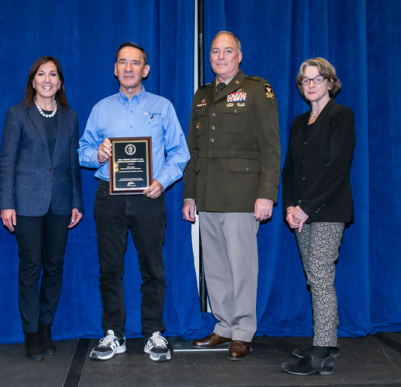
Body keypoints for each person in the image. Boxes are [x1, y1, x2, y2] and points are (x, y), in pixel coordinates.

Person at [78, 42, 189, 362]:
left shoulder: (163, 106)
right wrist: (96, 154)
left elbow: (180, 153)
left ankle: (154, 333)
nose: (128, 68)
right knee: (109, 269)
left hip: (149, 197)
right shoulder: (101, 108)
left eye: (135, 62)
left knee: (153, 268)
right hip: (108, 196)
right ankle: (114, 333)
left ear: (145, 70)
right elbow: (82, 151)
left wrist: (162, 182)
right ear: (115, 69)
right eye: (122, 62)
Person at [182, 31, 281, 360]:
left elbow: (270, 147)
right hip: (208, 197)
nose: (220, 57)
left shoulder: (256, 90)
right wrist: (189, 195)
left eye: (227, 51)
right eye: (215, 52)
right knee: (216, 268)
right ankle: (223, 326)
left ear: (239, 56)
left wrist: (266, 193)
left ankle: (243, 331)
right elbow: (194, 153)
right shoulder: (201, 96)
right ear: (209, 57)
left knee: (242, 267)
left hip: (242, 196)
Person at [0, 56, 83, 362]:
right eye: (41, 74)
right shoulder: (17, 114)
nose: (47, 80)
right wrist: (6, 202)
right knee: (30, 267)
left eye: (53, 75)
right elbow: (7, 161)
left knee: (55, 266)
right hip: (26, 203)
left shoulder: (70, 117)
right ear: (33, 81)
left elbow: (72, 163)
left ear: (59, 82)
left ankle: (46, 327)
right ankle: (31, 333)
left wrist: (77, 201)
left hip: (60, 203)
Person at [280, 58, 355, 376]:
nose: (310, 85)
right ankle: (328, 339)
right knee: (315, 277)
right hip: (299, 213)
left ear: (330, 82)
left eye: (316, 79)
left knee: (321, 279)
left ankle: (321, 351)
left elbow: (335, 168)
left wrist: (306, 208)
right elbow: (290, 170)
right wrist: (289, 208)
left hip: (327, 210)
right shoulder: (299, 123)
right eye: (304, 81)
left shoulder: (341, 116)